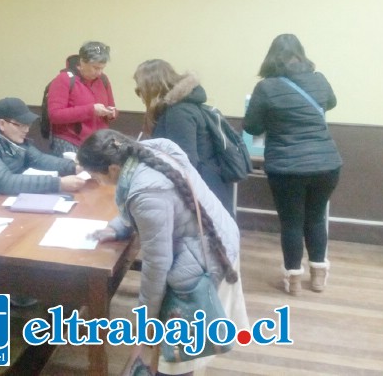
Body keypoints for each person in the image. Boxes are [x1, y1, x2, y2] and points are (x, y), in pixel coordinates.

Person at [77, 129, 248, 376]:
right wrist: (117, 227)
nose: (96, 181)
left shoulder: (147, 192)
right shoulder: (153, 151)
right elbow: (151, 208)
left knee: (178, 356)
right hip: (216, 239)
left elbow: (156, 266)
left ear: (113, 169)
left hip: (207, 260)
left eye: (95, 175)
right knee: (179, 351)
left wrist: (146, 328)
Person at [243, 33, 342, 296]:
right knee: (316, 218)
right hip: (326, 163)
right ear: (301, 53)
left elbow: (251, 126)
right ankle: (318, 276)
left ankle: (294, 280)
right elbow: (331, 103)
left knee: (291, 222)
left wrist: (274, 119)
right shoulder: (319, 80)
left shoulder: (266, 87)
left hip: (287, 168)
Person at [133, 59, 235, 217]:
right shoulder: (181, 107)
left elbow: (184, 162)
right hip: (205, 186)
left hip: (202, 192)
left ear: (152, 86)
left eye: (140, 89)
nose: (139, 94)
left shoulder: (178, 113)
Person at [0, 97, 86, 194]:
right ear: (2, 124)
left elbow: (39, 159)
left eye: (28, 125)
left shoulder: (9, 136)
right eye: (21, 125)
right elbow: (5, 183)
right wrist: (58, 183)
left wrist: (74, 167)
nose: (26, 130)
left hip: (7, 198)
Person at [47, 41, 117, 156]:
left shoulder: (103, 80)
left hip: (98, 142)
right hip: (70, 142)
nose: (99, 73)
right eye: (95, 68)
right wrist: (90, 110)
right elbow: (54, 115)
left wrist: (111, 113)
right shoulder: (63, 79)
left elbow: (112, 106)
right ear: (82, 62)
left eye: (102, 68)